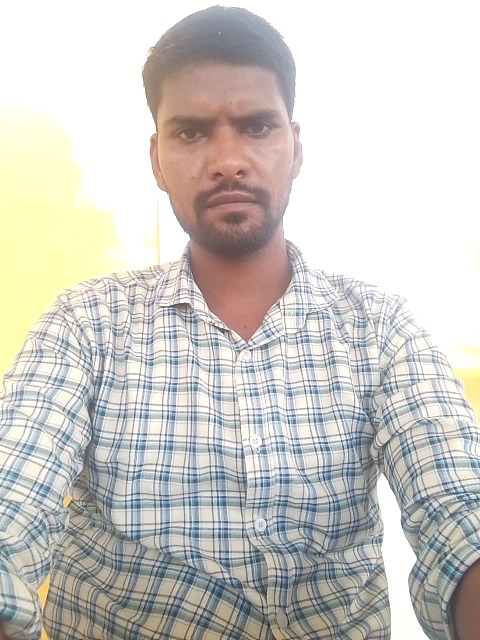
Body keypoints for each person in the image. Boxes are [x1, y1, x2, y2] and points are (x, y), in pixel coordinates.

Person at [0, 6, 479, 640]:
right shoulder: (86, 325)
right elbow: (12, 498)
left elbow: (457, 505)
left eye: (256, 126)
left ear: (296, 148)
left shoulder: (380, 329)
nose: (228, 160)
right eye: (191, 133)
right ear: (156, 159)